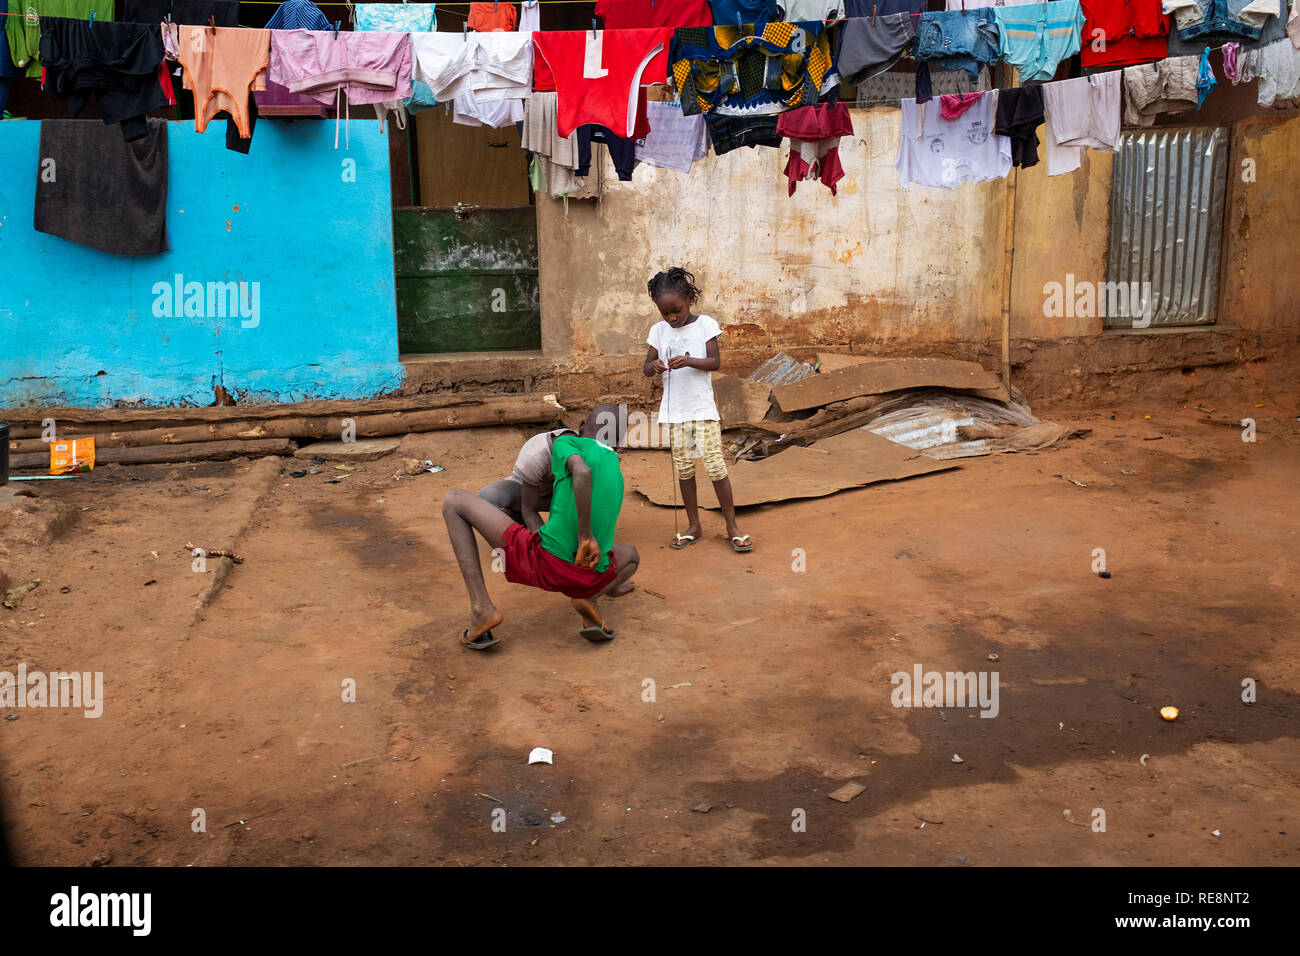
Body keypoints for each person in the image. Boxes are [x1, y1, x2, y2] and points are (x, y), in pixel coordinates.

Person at [442, 405, 639, 651]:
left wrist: (584, 535)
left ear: (580, 428)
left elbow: (582, 471)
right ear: (618, 444)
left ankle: (482, 609)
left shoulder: (567, 444)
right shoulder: (616, 469)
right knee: (632, 556)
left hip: (547, 563)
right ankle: (590, 596)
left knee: (454, 501)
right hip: (588, 574)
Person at [642, 267, 752, 553]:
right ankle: (694, 525)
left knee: (715, 466)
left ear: (689, 298)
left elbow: (715, 362)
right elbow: (646, 368)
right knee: (685, 468)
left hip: (702, 411)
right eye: (665, 313)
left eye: (676, 310)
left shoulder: (705, 325)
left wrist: (689, 361)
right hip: (675, 414)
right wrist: (653, 367)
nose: (672, 318)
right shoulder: (658, 331)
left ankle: (732, 526)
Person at [479, 424, 578, 530]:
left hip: (564, 496)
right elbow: (529, 510)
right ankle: (520, 533)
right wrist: (541, 543)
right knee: (488, 498)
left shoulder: (589, 446)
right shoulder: (534, 456)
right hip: (529, 492)